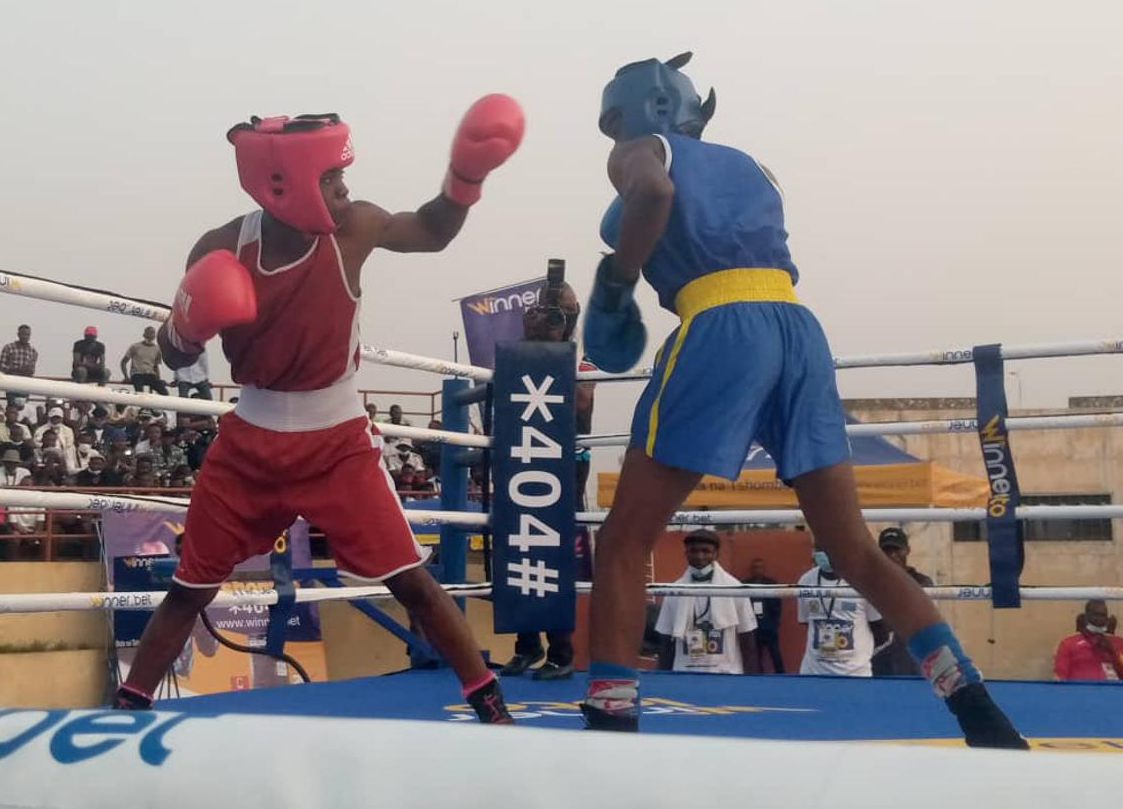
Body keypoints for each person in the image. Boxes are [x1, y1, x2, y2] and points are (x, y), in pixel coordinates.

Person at [578, 52, 1026, 747]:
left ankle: (609, 721)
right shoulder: (753, 168)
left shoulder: (639, 150)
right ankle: (975, 707)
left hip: (721, 326)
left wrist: (617, 279)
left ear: (623, 115)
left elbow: (655, 195)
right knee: (853, 549)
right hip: (796, 327)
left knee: (624, 540)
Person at [114, 95, 524, 725]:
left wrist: (465, 178)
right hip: (248, 443)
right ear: (284, 184)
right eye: (331, 179)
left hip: (335, 441)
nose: (343, 191)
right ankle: (125, 710)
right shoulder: (223, 246)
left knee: (410, 578)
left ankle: (491, 704)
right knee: (190, 587)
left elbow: (432, 231)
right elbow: (171, 353)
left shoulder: (357, 227)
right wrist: (188, 330)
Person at [501, 271, 594, 681]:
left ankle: (561, 652)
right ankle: (525, 645)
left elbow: (579, 405)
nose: (555, 315)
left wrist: (556, 347)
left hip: (565, 472)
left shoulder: (583, 358)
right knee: (519, 553)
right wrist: (533, 339)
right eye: (546, 308)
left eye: (564, 309)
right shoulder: (521, 353)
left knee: (554, 560)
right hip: (522, 464)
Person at [654, 530, 759, 674]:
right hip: (684, 674)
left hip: (726, 674)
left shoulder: (735, 588)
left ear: (716, 554)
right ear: (686, 553)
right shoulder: (674, 591)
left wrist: (750, 681)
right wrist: (663, 679)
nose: (699, 556)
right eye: (694, 551)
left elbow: (747, 639)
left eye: (706, 551)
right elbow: (666, 641)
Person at [797, 549, 887, 677]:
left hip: (855, 674)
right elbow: (807, 623)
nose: (825, 551)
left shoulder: (864, 581)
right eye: (820, 547)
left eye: (829, 545)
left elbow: (880, 630)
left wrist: (856, 657)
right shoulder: (805, 581)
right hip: (813, 673)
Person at [872, 527, 935, 677]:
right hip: (878, 659)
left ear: (907, 550)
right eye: (887, 550)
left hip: (913, 659)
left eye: (897, 549)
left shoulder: (922, 582)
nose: (892, 555)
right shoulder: (871, 581)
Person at [1054, 600, 1123, 681]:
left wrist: (1112, 652)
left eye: (1103, 615)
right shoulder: (1068, 643)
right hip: (1079, 691)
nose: (1099, 619)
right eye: (1095, 615)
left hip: (1112, 691)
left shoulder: (1119, 642)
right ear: (1085, 617)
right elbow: (1060, 677)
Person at [743, 557, 785, 674]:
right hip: (753, 626)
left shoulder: (771, 583)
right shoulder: (745, 584)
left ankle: (782, 675)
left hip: (769, 626)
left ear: (764, 569)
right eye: (755, 567)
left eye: (760, 567)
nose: (757, 570)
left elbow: (777, 604)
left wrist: (774, 622)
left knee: (775, 653)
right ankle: (759, 676)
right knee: (756, 654)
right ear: (751, 569)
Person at [122, 326, 168, 395]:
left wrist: (159, 379)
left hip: (150, 375)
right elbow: (123, 362)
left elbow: (156, 366)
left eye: (153, 333)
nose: (152, 335)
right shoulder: (135, 346)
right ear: (144, 335)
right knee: (140, 394)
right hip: (137, 374)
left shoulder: (157, 349)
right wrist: (126, 377)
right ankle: (143, 405)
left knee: (165, 393)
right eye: (150, 332)